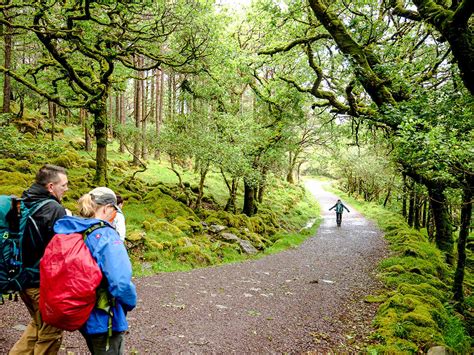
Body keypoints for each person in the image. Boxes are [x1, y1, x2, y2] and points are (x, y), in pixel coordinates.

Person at [53, 187, 136, 354]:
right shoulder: (106, 235)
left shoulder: (75, 229)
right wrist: (130, 302)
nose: (115, 216)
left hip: (84, 312)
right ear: (106, 208)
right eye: (114, 210)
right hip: (105, 317)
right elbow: (121, 283)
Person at [10, 164, 68, 355]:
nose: (66, 190)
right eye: (64, 185)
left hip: (21, 279)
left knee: (38, 325)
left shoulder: (24, 201)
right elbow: (61, 251)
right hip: (41, 283)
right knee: (51, 330)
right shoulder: (54, 209)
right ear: (51, 186)